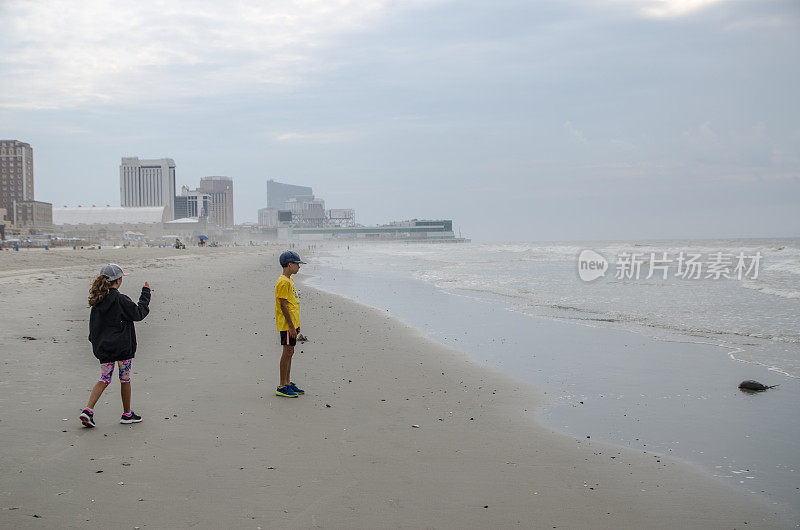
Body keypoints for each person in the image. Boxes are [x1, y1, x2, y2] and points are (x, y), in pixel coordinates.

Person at [79, 264, 151, 427]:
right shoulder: (120, 299)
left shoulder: (98, 301)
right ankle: (127, 414)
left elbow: (93, 327)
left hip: (104, 348)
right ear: (118, 281)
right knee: (125, 378)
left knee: (104, 378)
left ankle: (88, 410)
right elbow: (138, 313)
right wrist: (146, 293)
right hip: (122, 348)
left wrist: (96, 343)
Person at [274, 250, 306, 398]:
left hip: (293, 323)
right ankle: (282, 385)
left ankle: (287, 382)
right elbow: (283, 305)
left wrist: (296, 324)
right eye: (297, 264)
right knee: (286, 352)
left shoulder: (290, 280)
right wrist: (292, 326)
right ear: (289, 264)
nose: (299, 267)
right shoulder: (283, 282)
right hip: (287, 325)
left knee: (290, 352)